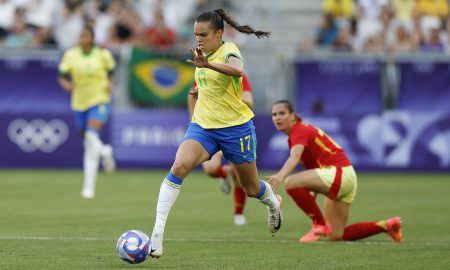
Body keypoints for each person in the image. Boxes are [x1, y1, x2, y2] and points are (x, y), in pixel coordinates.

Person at [149, 9, 282, 259]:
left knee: (251, 189)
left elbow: (237, 70)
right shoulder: (200, 57)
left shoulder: (228, 50)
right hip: (204, 128)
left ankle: (274, 203)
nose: (198, 39)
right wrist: (193, 119)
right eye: (195, 34)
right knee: (178, 166)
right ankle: (157, 235)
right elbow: (195, 92)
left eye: (204, 34)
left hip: (236, 129)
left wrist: (208, 64)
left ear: (219, 33)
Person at [267, 100, 402, 243]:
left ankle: (318, 225)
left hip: (338, 172)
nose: (277, 117)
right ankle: (388, 225)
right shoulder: (297, 134)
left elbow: (294, 158)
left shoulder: (298, 130)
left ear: (293, 116)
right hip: (346, 177)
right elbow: (314, 170)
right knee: (335, 235)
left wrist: (279, 176)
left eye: (282, 113)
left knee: (291, 182)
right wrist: (308, 196)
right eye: (274, 114)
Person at [187, 73, 254, 226]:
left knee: (242, 176)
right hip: (210, 128)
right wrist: (193, 120)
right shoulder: (205, 73)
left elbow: (250, 102)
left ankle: (238, 213)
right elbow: (191, 96)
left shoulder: (239, 76)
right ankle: (225, 173)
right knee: (210, 169)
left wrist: (226, 95)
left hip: (234, 130)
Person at [58, 25, 116, 199]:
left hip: (99, 99)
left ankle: (103, 157)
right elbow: (61, 75)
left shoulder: (102, 54)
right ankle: (90, 184)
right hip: (79, 102)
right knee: (89, 144)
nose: (82, 39)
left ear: (92, 38)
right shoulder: (71, 55)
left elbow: (112, 72)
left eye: (85, 36)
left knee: (91, 134)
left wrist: (110, 83)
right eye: (80, 36)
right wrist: (65, 84)